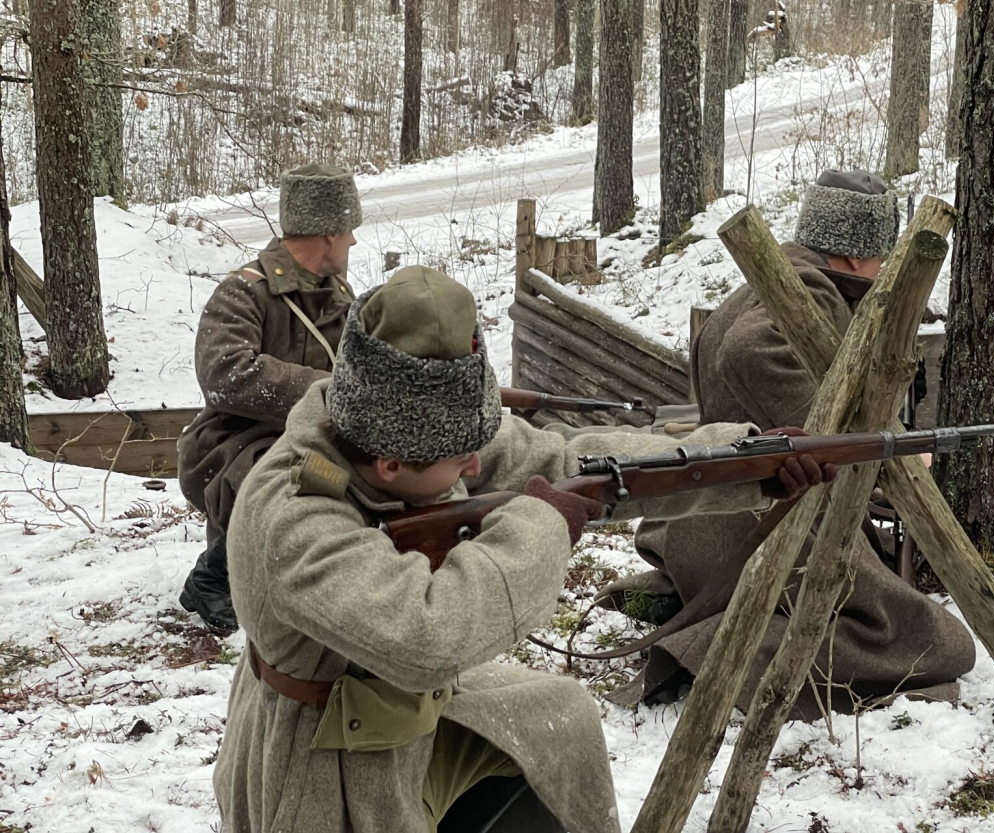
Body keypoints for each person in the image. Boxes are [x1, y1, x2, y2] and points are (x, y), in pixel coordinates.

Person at [212, 266, 835, 833]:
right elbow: (429, 633)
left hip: (402, 716)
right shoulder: (292, 517)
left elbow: (569, 461)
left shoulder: (393, 421)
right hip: (318, 765)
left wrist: (741, 460)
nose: (479, 465)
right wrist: (540, 526)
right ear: (390, 461)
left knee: (558, 723)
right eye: (462, 458)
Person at [600, 170, 977, 719]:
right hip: (766, 528)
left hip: (701, 530)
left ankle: (698, 607)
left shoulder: (761, 283)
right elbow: (751, 354)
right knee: (936, 644)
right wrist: (855, 446)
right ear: (858, 252)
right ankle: (709, 652)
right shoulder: (815, 290)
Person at [177, 163, 361, 634]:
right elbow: (224, 374)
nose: (353, 243)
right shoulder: (243, 292)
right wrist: (324, 389)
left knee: (367, 478)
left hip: (309, 438)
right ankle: (212, 576)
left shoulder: (339, 296)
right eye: (349, 232)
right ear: (328, 233)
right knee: (295, 475)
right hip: (230, 446)